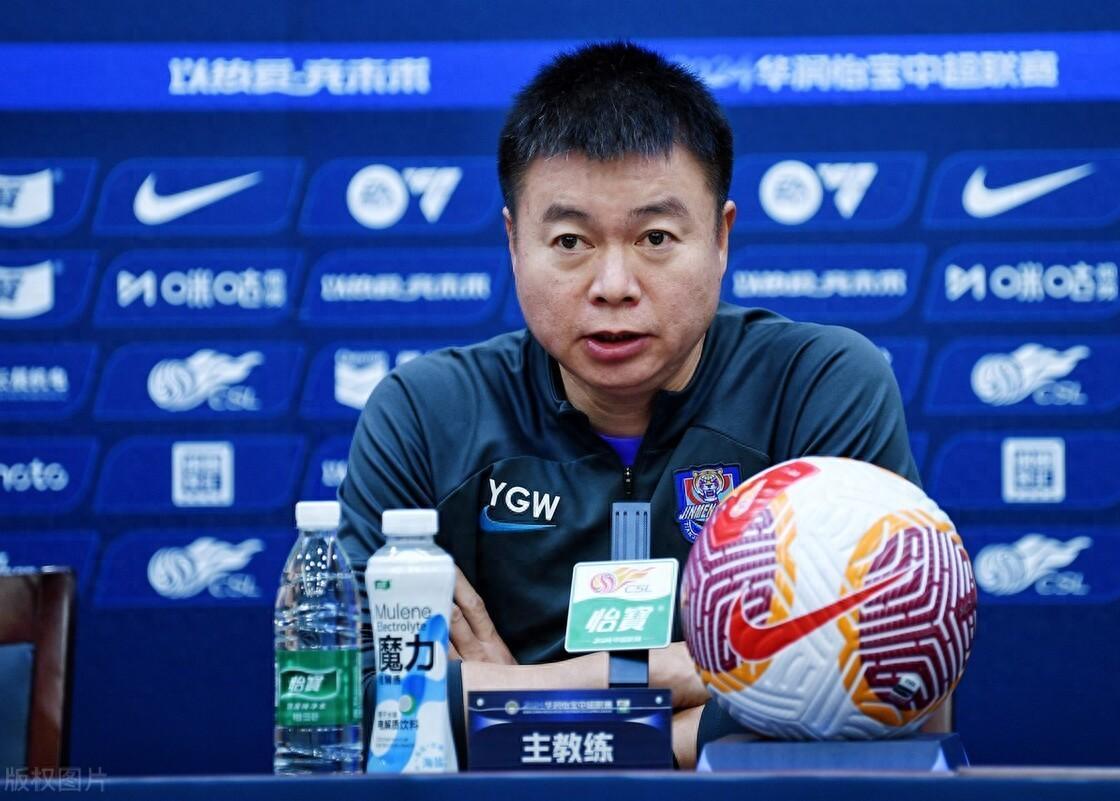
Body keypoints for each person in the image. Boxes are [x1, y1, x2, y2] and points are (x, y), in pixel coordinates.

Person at [339, 41, 918, 769]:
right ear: (514, 243)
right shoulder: (427, 413)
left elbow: (875, 675)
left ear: (721, 238)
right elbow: (352, 699)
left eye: (655, 237)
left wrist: (514, 701)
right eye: (570, 240)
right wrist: (677, 682)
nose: (614, 284)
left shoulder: (816, 386)